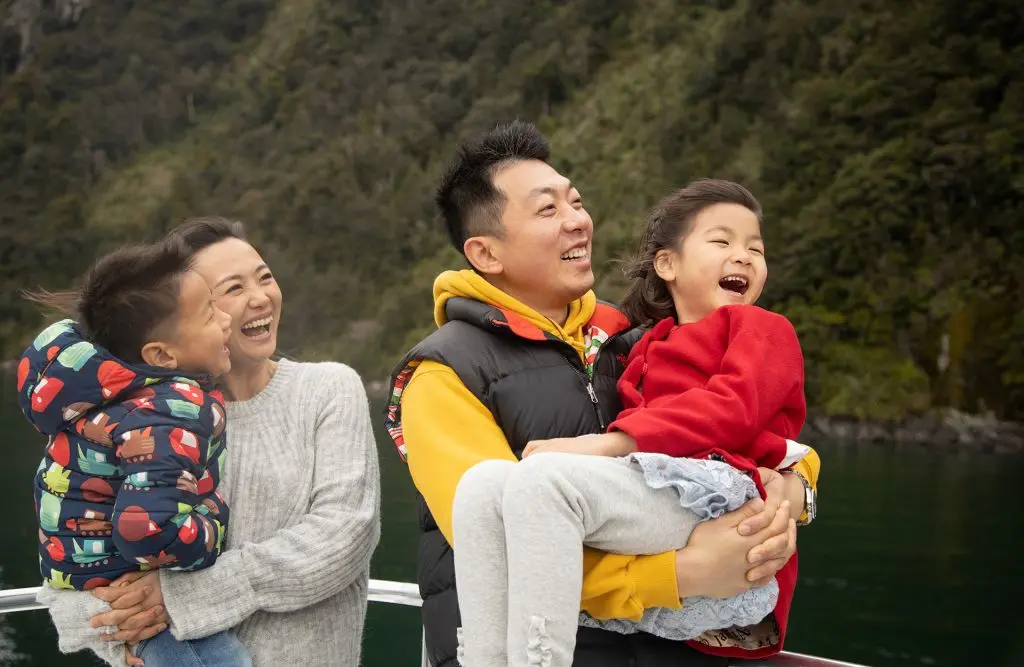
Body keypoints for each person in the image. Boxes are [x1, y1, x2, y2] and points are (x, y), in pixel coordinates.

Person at [384, 121, 820, 667]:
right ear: (486, 253)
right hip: (567, 648)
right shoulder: (443, 375)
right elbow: (497, 546)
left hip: (664, 651)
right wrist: (677, 575)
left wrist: (793, 488)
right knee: (501, 492)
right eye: (548, 211)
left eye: (577, 202)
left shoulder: (630, 334)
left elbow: (743, 417)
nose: (577, 222)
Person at [42, 217, 382, 667]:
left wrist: (182, 597)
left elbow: (345, 536)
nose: (260, 298)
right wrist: (122, 635)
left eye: (264, 277)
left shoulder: (328, 389)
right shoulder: (142, 421)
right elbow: (69, 558)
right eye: (231, 290)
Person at [18, 238, 248, 667]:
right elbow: (147, 529)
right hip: (126, 589)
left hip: (83, 571)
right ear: (162, 355)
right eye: (210, 312)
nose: (226, 319)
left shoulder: (109, 391)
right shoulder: (171, 408)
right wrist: (212, 528)